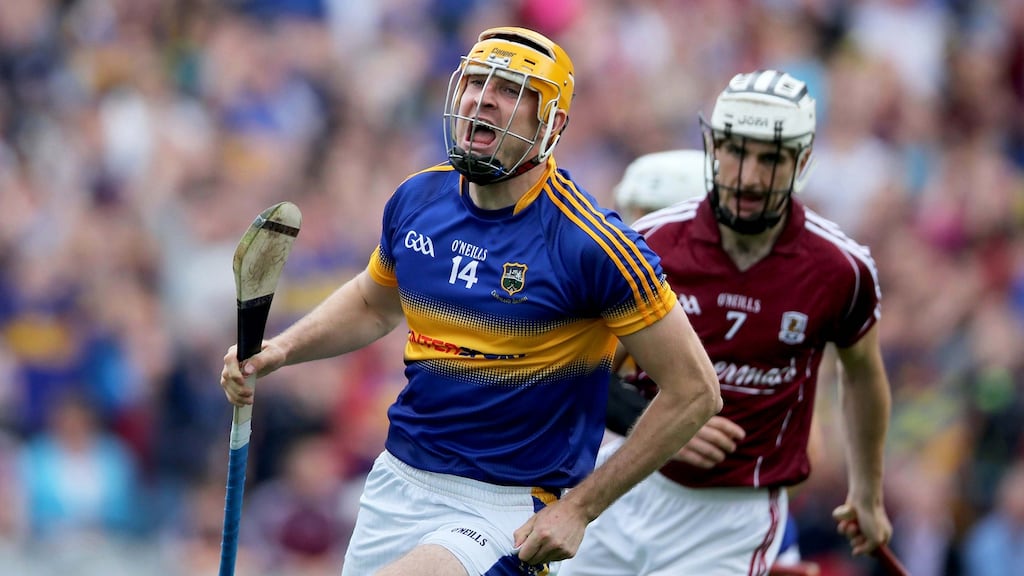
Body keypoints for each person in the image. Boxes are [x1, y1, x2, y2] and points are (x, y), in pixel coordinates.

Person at [220, 26, 721, 576]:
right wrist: (281, 351)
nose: (482, 98)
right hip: (397, 482)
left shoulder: (591, 244)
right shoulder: (418, 198)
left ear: (550, 123)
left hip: (503, 506)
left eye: (509, 89)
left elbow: (695, 390)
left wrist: (582, 507)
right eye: (475, 82)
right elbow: (374, 303)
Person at [561, 69, 894, 576]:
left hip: (735, 517)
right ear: (713, 147)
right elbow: (573, 365)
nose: (750, 177)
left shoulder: (841, 269)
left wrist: (867, 494)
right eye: (736, 151)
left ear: (802, 162)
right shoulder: (649, 242)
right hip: (625, 484)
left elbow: (864, 373)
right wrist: (662, 420)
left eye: (771, 158)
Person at [606, 147, 821, 576]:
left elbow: (812, 455)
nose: (638, 234)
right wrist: (663, 425)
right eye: (632, 215)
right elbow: (570, 378)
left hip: (718, 511)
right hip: (626, 500)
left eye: (652, 214)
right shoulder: (619, 292)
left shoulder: (764, 314)